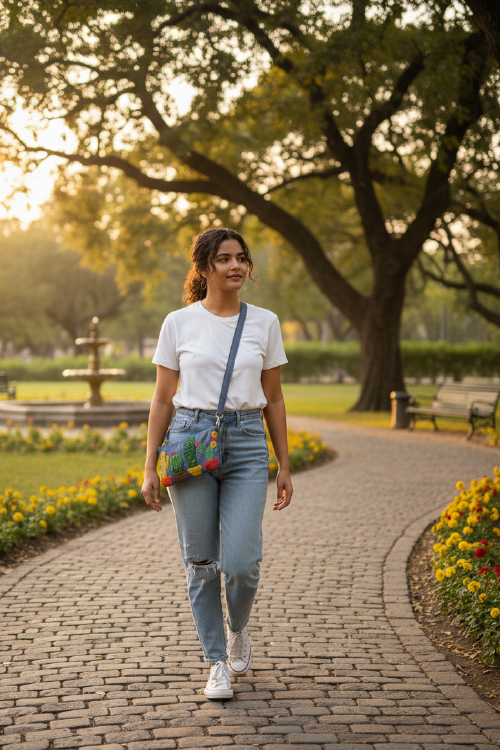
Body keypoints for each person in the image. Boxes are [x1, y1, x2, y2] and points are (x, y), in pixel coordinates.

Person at [142, 227, 293, 700]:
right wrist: (150, 464)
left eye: (242, 258)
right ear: (204, 267)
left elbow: (274, 397)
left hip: (248, 442)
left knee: (242, 562)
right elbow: (163, 398)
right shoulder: (179, 323)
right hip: (190, 441)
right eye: (225, 258)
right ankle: (215, 663)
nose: (236, 266)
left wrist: (284, 464)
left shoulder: (264, 322)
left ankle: (239, 628)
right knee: (201, 560)